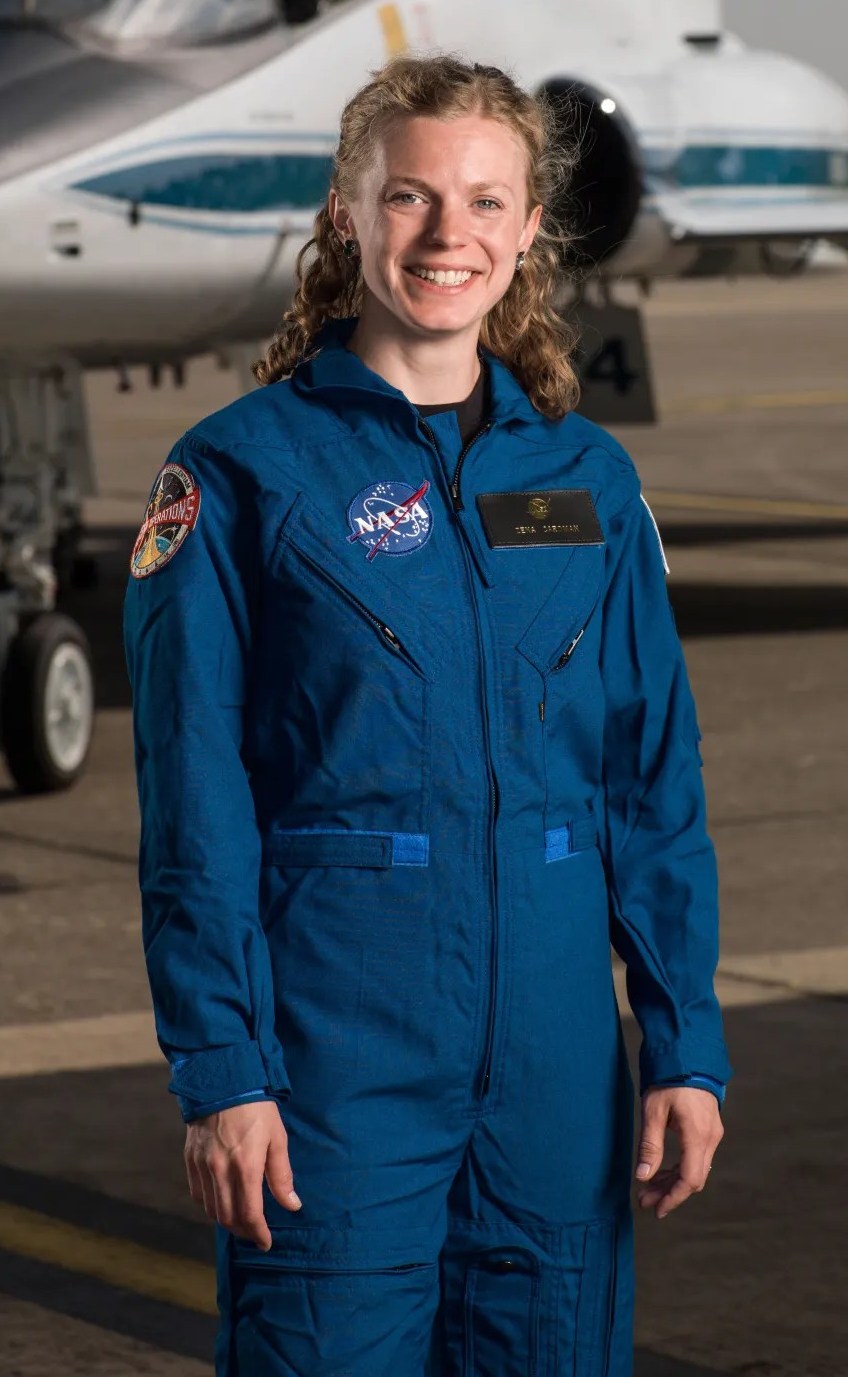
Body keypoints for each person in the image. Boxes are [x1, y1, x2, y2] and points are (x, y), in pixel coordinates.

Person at [123, 53, 732, 1377]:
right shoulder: (238, 477)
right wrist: (224, 1071)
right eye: (409, 198)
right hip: (337, 1084)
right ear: (347, 214)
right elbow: (195, 801)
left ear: (526, 231)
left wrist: (686, 1041)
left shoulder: (588, 481)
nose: (448, 235)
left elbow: (649, 782)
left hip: (559, 1089)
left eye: (483, 203)